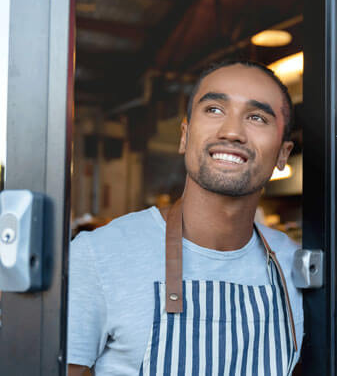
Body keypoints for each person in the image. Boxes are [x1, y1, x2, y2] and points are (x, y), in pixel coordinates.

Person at [67, 61, 302, 375]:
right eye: (214, 109)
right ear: (184, 135)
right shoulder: (98, 255)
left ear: (283, 154)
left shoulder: (294, 267)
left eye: (256, 117)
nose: (232, 132)